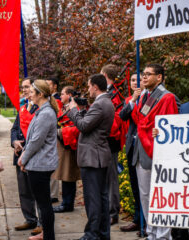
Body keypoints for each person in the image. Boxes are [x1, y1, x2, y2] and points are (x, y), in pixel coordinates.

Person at [131, 64, 179, 240]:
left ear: (159, 77)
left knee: (160, 196)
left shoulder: (167, 97)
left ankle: (163, 235)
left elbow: (174, 120)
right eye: (143, 74)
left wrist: (163, 130)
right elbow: (139, 118)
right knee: (145, 195)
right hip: (141, 151)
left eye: (148, 74)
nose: (143, 77)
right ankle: (151, 232)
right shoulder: (146, 96)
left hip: (157, 152)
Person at [68, 74, 115, 240]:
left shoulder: (100, 104)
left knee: (93, 199)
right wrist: (81, 111)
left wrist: (73, 109)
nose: (88, 90)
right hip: (99, 155)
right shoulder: (105, 102)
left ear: (95, 87)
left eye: (89, 86)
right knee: (101, 198)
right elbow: (88, 123)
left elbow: (83, 126)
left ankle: (91, 234)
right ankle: (102, 233)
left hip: (93, 157)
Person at [18, 80, 59, 240]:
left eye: (32, 91)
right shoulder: (42, 111)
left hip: (41, 165)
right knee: (44, 203)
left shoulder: (46, 113)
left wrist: (23, 158)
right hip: (38, 163)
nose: (29, 94)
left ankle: (48, 236)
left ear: (40, 94)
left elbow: (36, 141)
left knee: (44, 204)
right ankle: (46, 234)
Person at [11, 78, 40, 233]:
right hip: (19, 153)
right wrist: (15, 141)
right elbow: (14, 128)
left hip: (35, 156)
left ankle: (42, 223)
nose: (24, 90)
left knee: (39, 191)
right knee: (24, 191)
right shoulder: (22, 106)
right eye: (22, 87)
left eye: (27, 87)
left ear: (35, 88)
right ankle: (30, 219)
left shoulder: (41, 108)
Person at [119, 73, 145, 234]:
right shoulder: (129, 100)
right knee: (135, 185)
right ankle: (137, 219)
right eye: (133, 80)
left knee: (145, 187)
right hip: (132, 146)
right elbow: (122, 115)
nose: (136, 82)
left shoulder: (150, 98)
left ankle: (146, 222)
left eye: (139, 79)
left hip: (145, 146)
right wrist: (133, 100)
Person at [52, 86, 81, 213]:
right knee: (65, 176)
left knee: (68, 176)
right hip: (64, 144)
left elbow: (76, 127)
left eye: (62, 94)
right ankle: (66, 202)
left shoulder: (75, 109)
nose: (60, 96)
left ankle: (67, 204)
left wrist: (60, 131)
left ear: (69, 95)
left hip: (69, 145)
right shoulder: (64, 108)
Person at [101, 64, 123, 225]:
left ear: (105, 75)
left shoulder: (112, 94)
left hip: (111, 140)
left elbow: (114, 119)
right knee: (107, 178)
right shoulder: (109, 93)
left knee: (111, 178)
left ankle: (112, 212)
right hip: (106, 140)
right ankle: (109, 209)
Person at [46, 76, 62, 203]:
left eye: (49, 84)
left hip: (56, 133)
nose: (47, 87)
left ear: (55, 86)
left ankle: (53, 194)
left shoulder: (57, 100)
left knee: (53, 165)